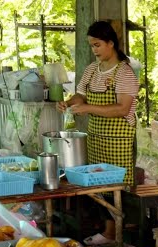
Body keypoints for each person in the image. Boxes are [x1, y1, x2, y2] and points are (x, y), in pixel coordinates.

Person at [58, 21, 139, 186]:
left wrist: (87, 108)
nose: (94, 50)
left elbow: (123, 109)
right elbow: (81, 95)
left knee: (118, 188)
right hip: (95, 141)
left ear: (111, 43)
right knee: (96, 186)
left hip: (118, 144)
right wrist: (68, 103)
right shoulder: (91, 70)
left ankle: (119, 212)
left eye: (97, 45)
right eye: (91, 46)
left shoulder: (125, 72)